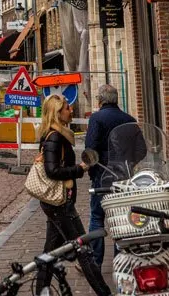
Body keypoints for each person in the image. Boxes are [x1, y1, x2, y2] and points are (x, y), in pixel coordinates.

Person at [35, 94, 111, 296]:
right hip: (60, 204)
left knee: (50, 252)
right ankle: (105, 293)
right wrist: (80, 169)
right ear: (57, 113)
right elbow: (52, 171)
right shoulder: (54, 137)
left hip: (58, 203)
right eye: (67, 108)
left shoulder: (59, 135)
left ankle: (40, 291)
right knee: (83, 250)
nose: (71, 110)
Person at [85, 84, 138, 266]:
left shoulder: (97, 118)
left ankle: (96, 262)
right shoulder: (129, 119)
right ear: (116, 99)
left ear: (100, 100)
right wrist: (129, 163)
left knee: (97, 217)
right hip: (124, 175)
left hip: (103, 173)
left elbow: (90, 148)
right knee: (122, 217)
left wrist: (93, 172)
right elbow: (141, 149)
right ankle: (120, 261)